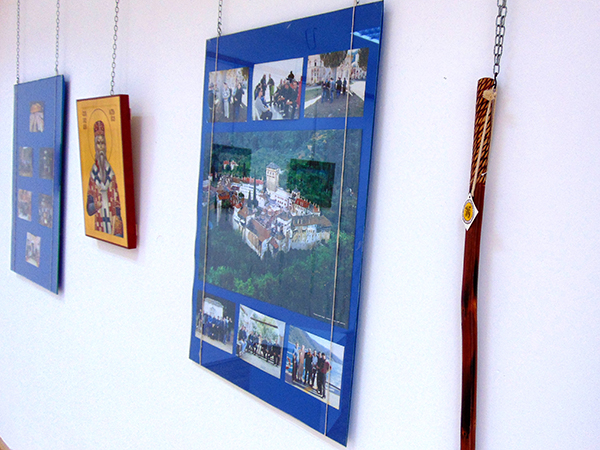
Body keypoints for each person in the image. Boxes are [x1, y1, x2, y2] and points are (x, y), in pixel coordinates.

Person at [86, 120, 123, 237]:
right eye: (98, 143)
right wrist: (95, 206)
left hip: (111, 219)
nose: (101, 147)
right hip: (100, 221)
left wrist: (118, 221)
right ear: (95, 146)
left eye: (103, 143)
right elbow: (89, 209)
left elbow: (117, 203)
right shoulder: (93, 174)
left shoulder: (111, 173)